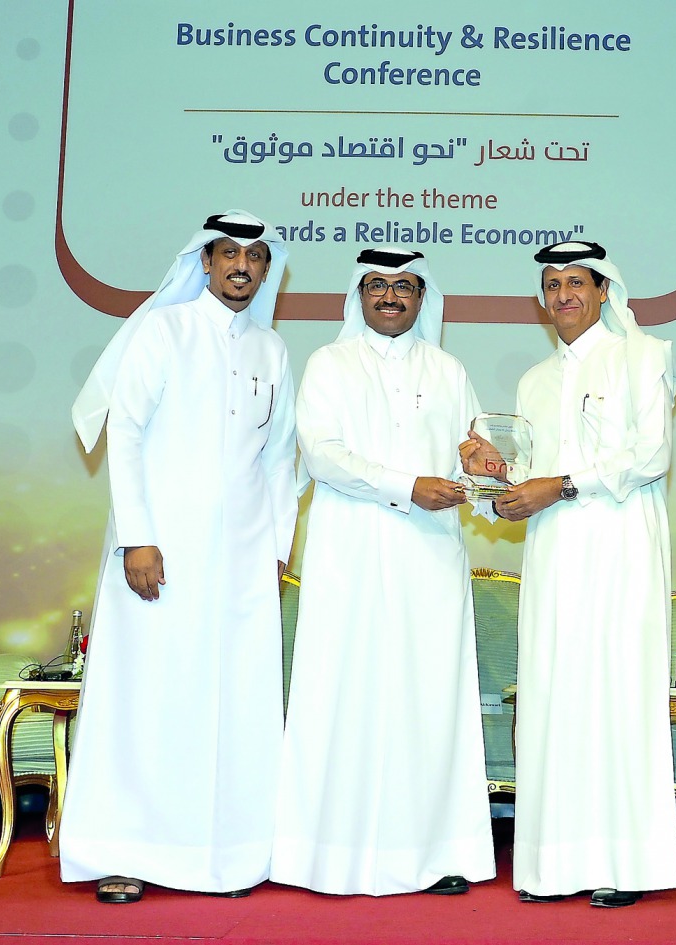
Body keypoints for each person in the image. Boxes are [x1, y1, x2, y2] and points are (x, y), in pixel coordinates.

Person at [61, 211, 298, 903]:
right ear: (205, 261)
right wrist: (137, 535)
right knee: (148, 696)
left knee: (233, 701)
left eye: (255, 256)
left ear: (266, 268)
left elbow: (280, 458)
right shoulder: (164, 331)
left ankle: (230, 856)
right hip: (159, 555)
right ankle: (124, 851)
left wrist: (277, 549)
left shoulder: (271, 351)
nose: (242, 266)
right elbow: (126, 431)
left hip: (244, 561)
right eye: (229, 253)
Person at [462, 240, 676, 908]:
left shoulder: (644, 356)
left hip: (620, 549)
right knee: (555, 695)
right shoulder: (534, 381)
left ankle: (624, 864)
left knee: (618, 693)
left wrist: (557, 485)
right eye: (553, 284)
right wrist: (497, 478)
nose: (563, 295)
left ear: (603, 289)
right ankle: (552, 866)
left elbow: (651, 453)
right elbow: (530, 478)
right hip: (555, 554)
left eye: (576, 282)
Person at [270, 247, 495, 897]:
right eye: (377, 285)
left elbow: (474, 456)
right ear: (359, 294)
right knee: (345, 695)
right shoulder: (330, 363)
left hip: (430, 559)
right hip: (351, 556)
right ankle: (327, 857)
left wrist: (489, 467)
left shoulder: (449, 371)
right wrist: (407, 485)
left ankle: (435, 854)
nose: (390, 296)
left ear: (422, 297)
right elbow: (323, 455)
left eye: (403, 287)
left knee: (430, 700)